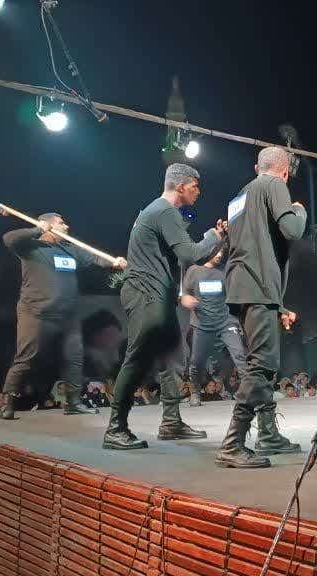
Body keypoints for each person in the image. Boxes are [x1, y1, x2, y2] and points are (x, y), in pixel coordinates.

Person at [103, 164, 221, 451]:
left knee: (173, 359)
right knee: (137, 358)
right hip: (146, 295)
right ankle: (115, 429)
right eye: (194, 186)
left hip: (157, 296)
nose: (198, 191)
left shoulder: (157, 212)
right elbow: (190, 253)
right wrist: (213, 236)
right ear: (180, 187)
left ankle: (171, 422)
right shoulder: (164, 211)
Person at [220, 146, 308, 468]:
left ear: (257, 167)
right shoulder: (274, 185)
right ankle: (232, 444)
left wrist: (278, 304)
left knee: (263, 361)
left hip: (243, 285)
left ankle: (268, 433)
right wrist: (299, 211)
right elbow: (293, 230)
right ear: (284, 171)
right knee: (262, 365)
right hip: (258, 286)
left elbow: (251, 243)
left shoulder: (239, 198)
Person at [0, 212, 127, 420]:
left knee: (73, 358)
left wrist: (114, 262)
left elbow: (94, 257)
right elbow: (9, 239)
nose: (66, 226)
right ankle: (8, 403)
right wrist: (37, 229)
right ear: (48, 226)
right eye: (61, 223)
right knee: (26, 358)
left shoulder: (69, 250)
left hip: (68, 317)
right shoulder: (31, 247)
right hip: (37, 313)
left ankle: (73, 403)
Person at [181, 246, 247, 407]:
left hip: (225, 322)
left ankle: (249, 392)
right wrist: (187, 301)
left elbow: (234, 298)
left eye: (221, 252)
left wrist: (238, 321)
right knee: (197, 362)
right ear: (207, 251)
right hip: (202, 324)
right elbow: (184, 296)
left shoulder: (224, 271)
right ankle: (195, 393)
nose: (219, 255)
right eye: (216, 252)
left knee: (239, 355)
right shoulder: (193, 271)